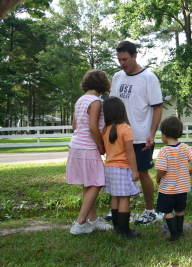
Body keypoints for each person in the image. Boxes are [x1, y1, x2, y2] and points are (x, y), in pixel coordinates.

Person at [110, 40, 163, 225]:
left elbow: (157, 107)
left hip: (140, 136)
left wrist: (151, 133)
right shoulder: (117, 77)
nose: (122, 63)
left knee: (142, 173)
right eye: (119, 60)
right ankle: (116, 210)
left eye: (125, 59)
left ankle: (150, 211)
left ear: (134, 56)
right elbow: (113, 106)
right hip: (118, 136)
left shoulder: (149, 77)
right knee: (118, 171)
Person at [66, 69, 113, 235]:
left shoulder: (81, 100)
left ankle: (92, 220)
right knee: (97, 182)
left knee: (88, 183)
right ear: (103, 84)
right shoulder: (96, 101)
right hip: (88, 147)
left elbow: (75, 125)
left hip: (76, 146)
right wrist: (101, 146)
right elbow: (93, 127)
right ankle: (79, 223)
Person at [102, 96, 141, 238]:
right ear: (122, 111)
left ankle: (117, 226)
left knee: (115, 197)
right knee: (125, 198)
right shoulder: (126, 128)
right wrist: (135, 170)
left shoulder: (105, 129)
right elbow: (130, 151)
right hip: (123, 168)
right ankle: (125, 230)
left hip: (109, 167)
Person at [155, 116, 192, 241]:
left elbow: (162, 170)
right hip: (182, 188)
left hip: (167, 189)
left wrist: (158, 178)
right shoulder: (184, 147)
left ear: (164, 135)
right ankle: (180, 232)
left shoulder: (164, 151)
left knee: (168, 211)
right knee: (180, 210)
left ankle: (173, 235)